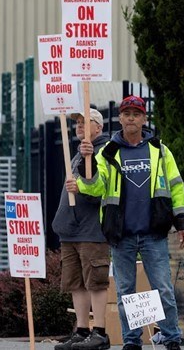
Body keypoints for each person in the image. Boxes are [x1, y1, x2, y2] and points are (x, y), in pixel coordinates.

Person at [67, 95, 184, 350]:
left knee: (164, 290)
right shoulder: (109, 151)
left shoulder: (159, 150)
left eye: (137, 113)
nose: (131, 118)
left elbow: (177, 187)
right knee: (125, 293)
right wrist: (84, 170)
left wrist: (182, 222)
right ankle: (132, 341)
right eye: (127, 114)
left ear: (144, 119)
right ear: (120, 118)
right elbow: (96, 187)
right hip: (121, 234)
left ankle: (172, 338)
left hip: (153, 233)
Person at [53, 108, 111, 350]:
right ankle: (81, 330)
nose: (79, 126)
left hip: (91, 230)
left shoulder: (104, 152)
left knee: (95, 281)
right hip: (71, 230)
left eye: (85, 122)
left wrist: (90, 165)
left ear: (98, 127)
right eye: (77, 122)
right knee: (75, 282)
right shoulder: (77, 154)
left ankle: (99, 332)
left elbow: (100, 185)